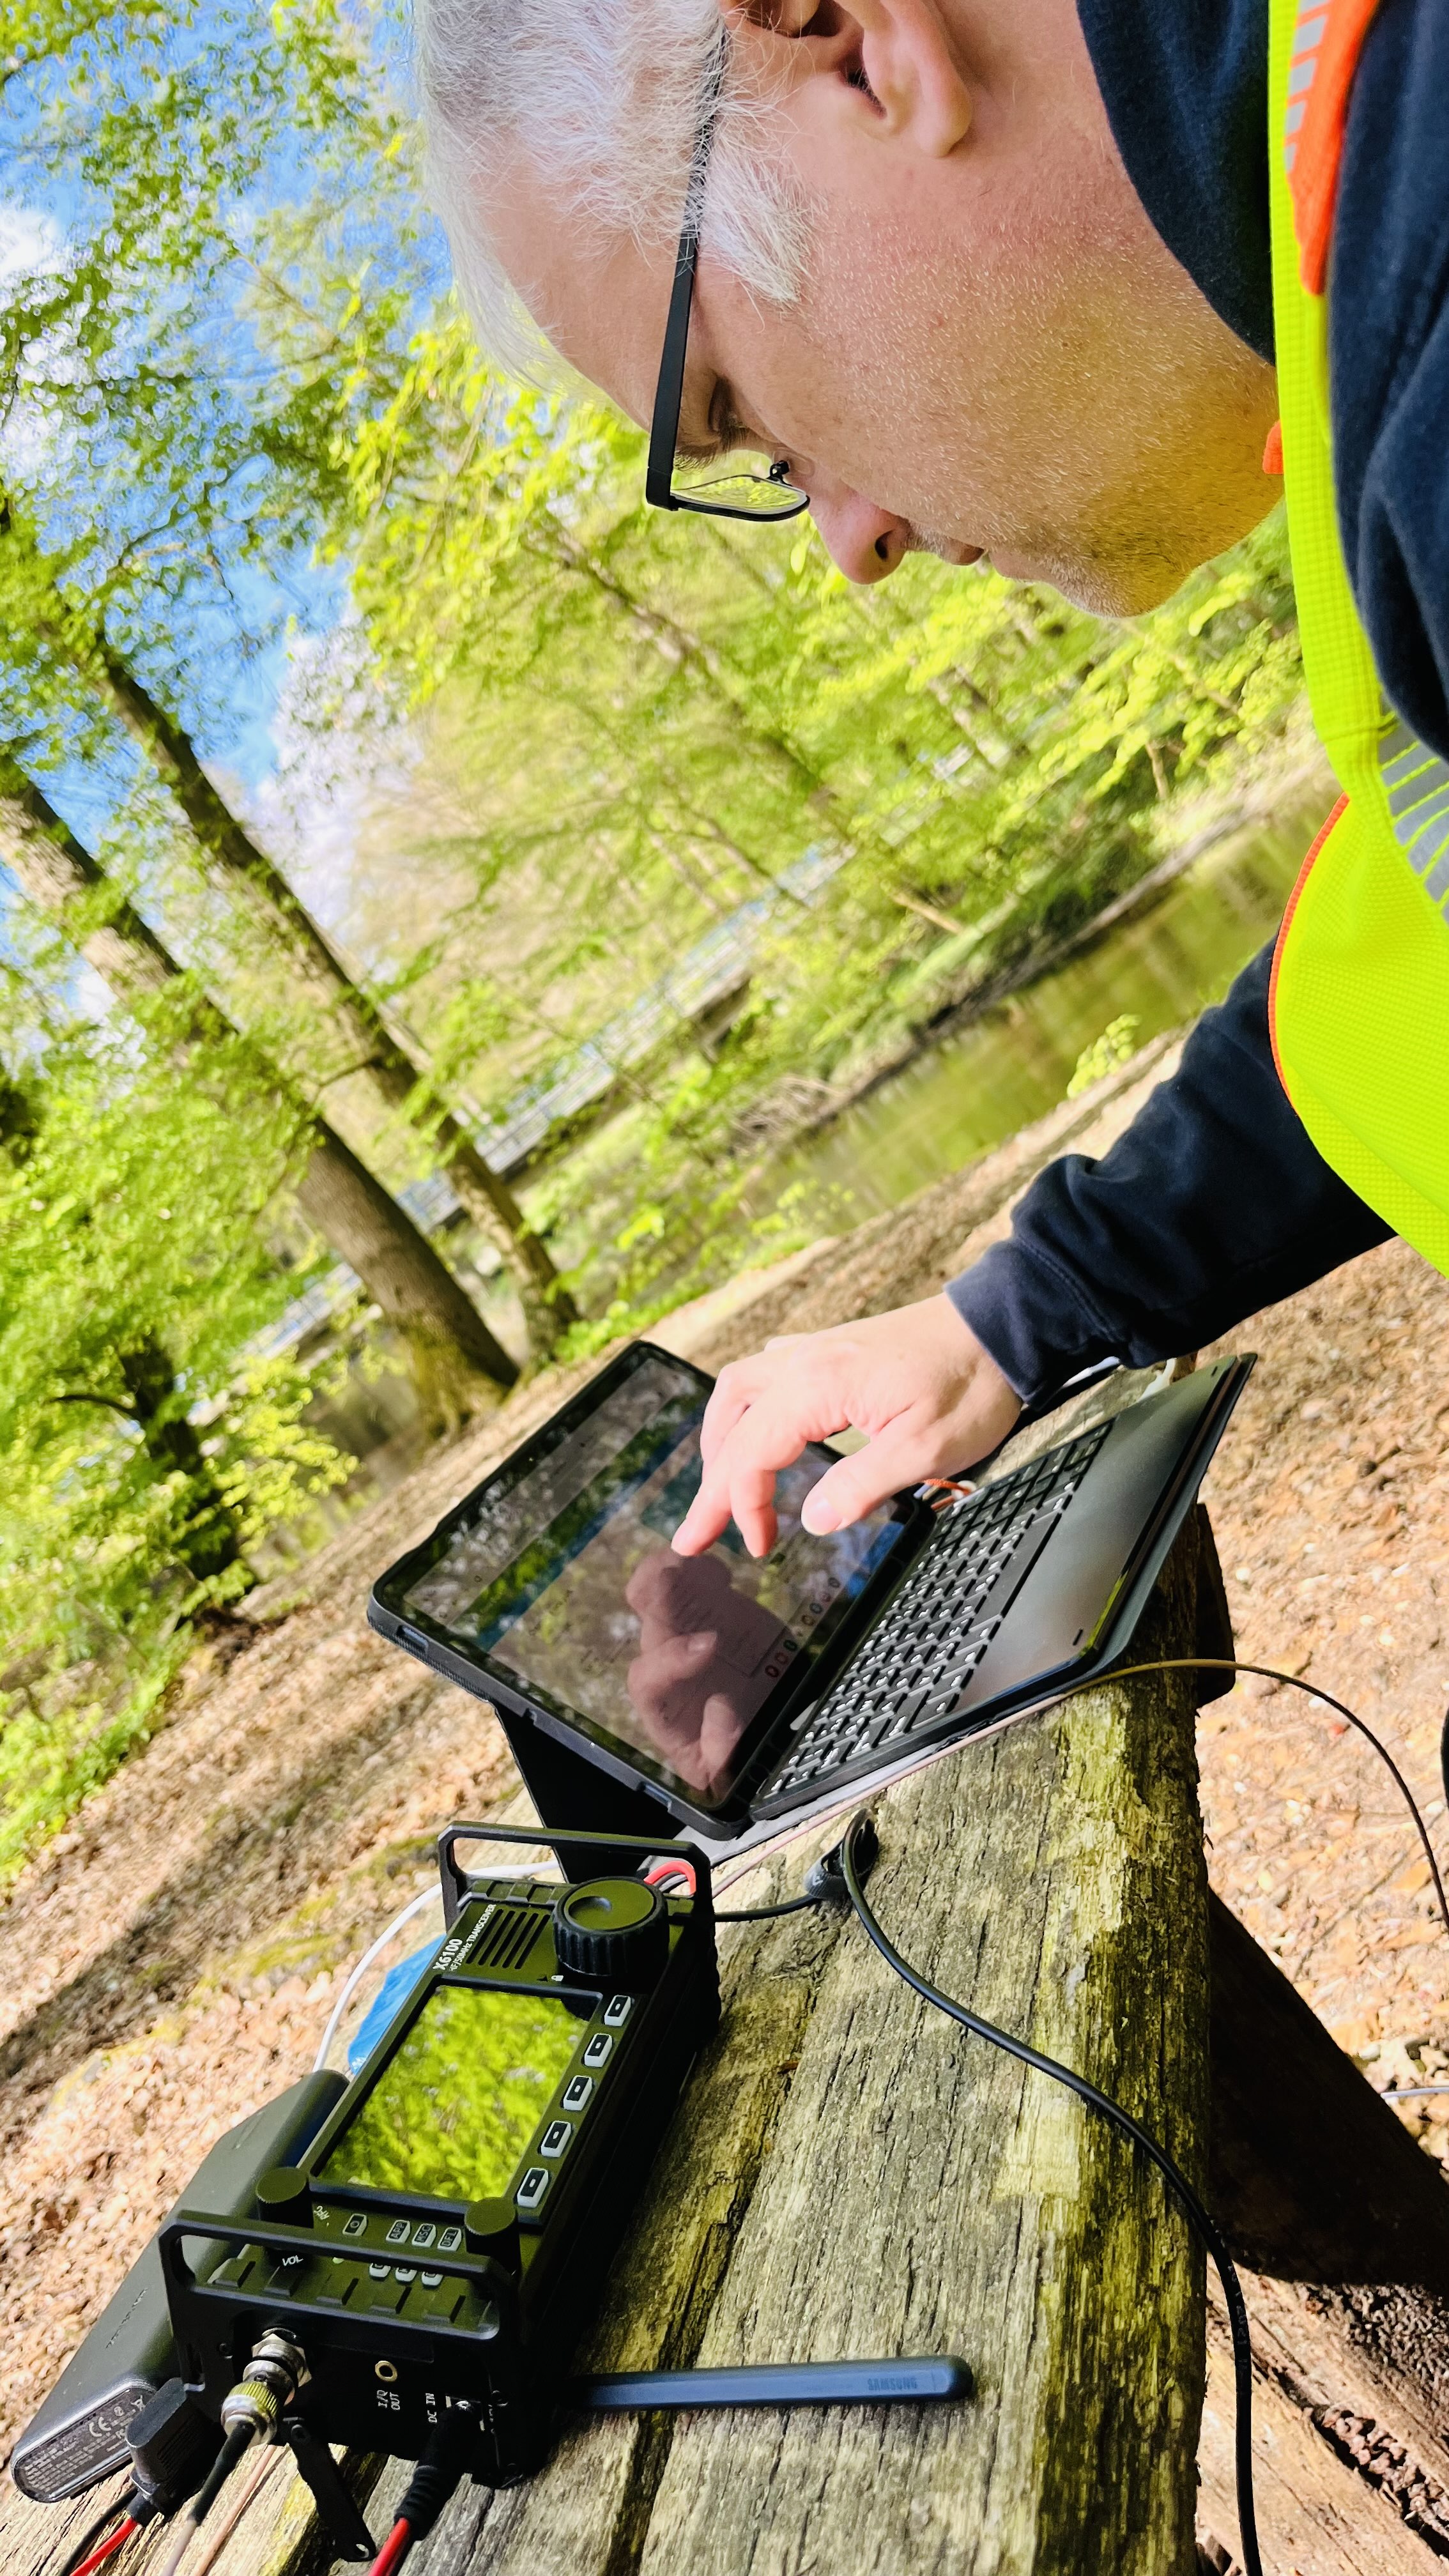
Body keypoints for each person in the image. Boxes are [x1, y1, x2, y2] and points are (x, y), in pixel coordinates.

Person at [415, 0, 1449, 1556]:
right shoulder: (1365, 231)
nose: (854, 545)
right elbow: (1410, 937)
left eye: (741, 420)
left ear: (859, 47)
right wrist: (1018, 1316)